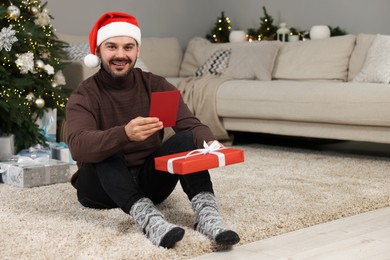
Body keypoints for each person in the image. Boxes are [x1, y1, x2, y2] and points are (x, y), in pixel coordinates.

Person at [66, 11, 240, 249]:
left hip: (150, 184)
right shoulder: (84, 94)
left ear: (138, 51)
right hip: (99, 189)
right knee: (108, 148)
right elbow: (78, 145)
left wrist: (209, 143)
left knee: (186, 139)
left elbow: (189, 124)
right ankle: (149, 219)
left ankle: (208, 216)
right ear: (98, 52)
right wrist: (124, 134)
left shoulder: (156, 85)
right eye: (111, 47)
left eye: (128, 47)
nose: (120, 54)